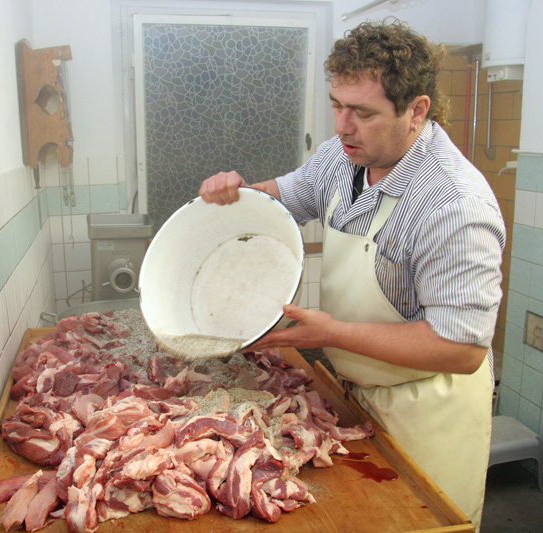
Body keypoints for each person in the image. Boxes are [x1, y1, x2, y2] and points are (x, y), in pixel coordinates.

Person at [199, 19, 504, 530]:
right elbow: (283, 201)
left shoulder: (455, 206)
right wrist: (237, 193)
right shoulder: (342, 159)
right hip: (351, 397)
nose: (342, 125)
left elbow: (462, 349)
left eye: (363, 112)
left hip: (425, 415)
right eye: (337, 105)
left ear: (416, 111)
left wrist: (331, 333)